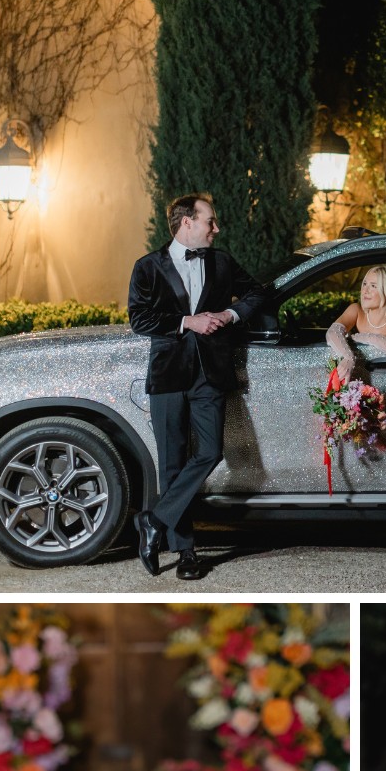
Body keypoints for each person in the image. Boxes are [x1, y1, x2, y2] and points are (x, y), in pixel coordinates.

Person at [127, 193, 268, 581]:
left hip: (211, 374)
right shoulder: (147, 267)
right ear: (186, 222)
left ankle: (152, 521)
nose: (216, 228)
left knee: (209, 452)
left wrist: (229, 313)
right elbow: (139, 319)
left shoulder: (222, 262)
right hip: (169, 375)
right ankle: (186, 552)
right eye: (211, 221)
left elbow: (258, 293)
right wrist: (187, 322)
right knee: (171, 464)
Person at [324, 264, 386, 377]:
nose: (365, 290)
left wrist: (367, 338)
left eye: (373, 286)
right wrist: (348, 357)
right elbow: (333, 332)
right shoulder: (356, 310)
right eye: (364, 284)